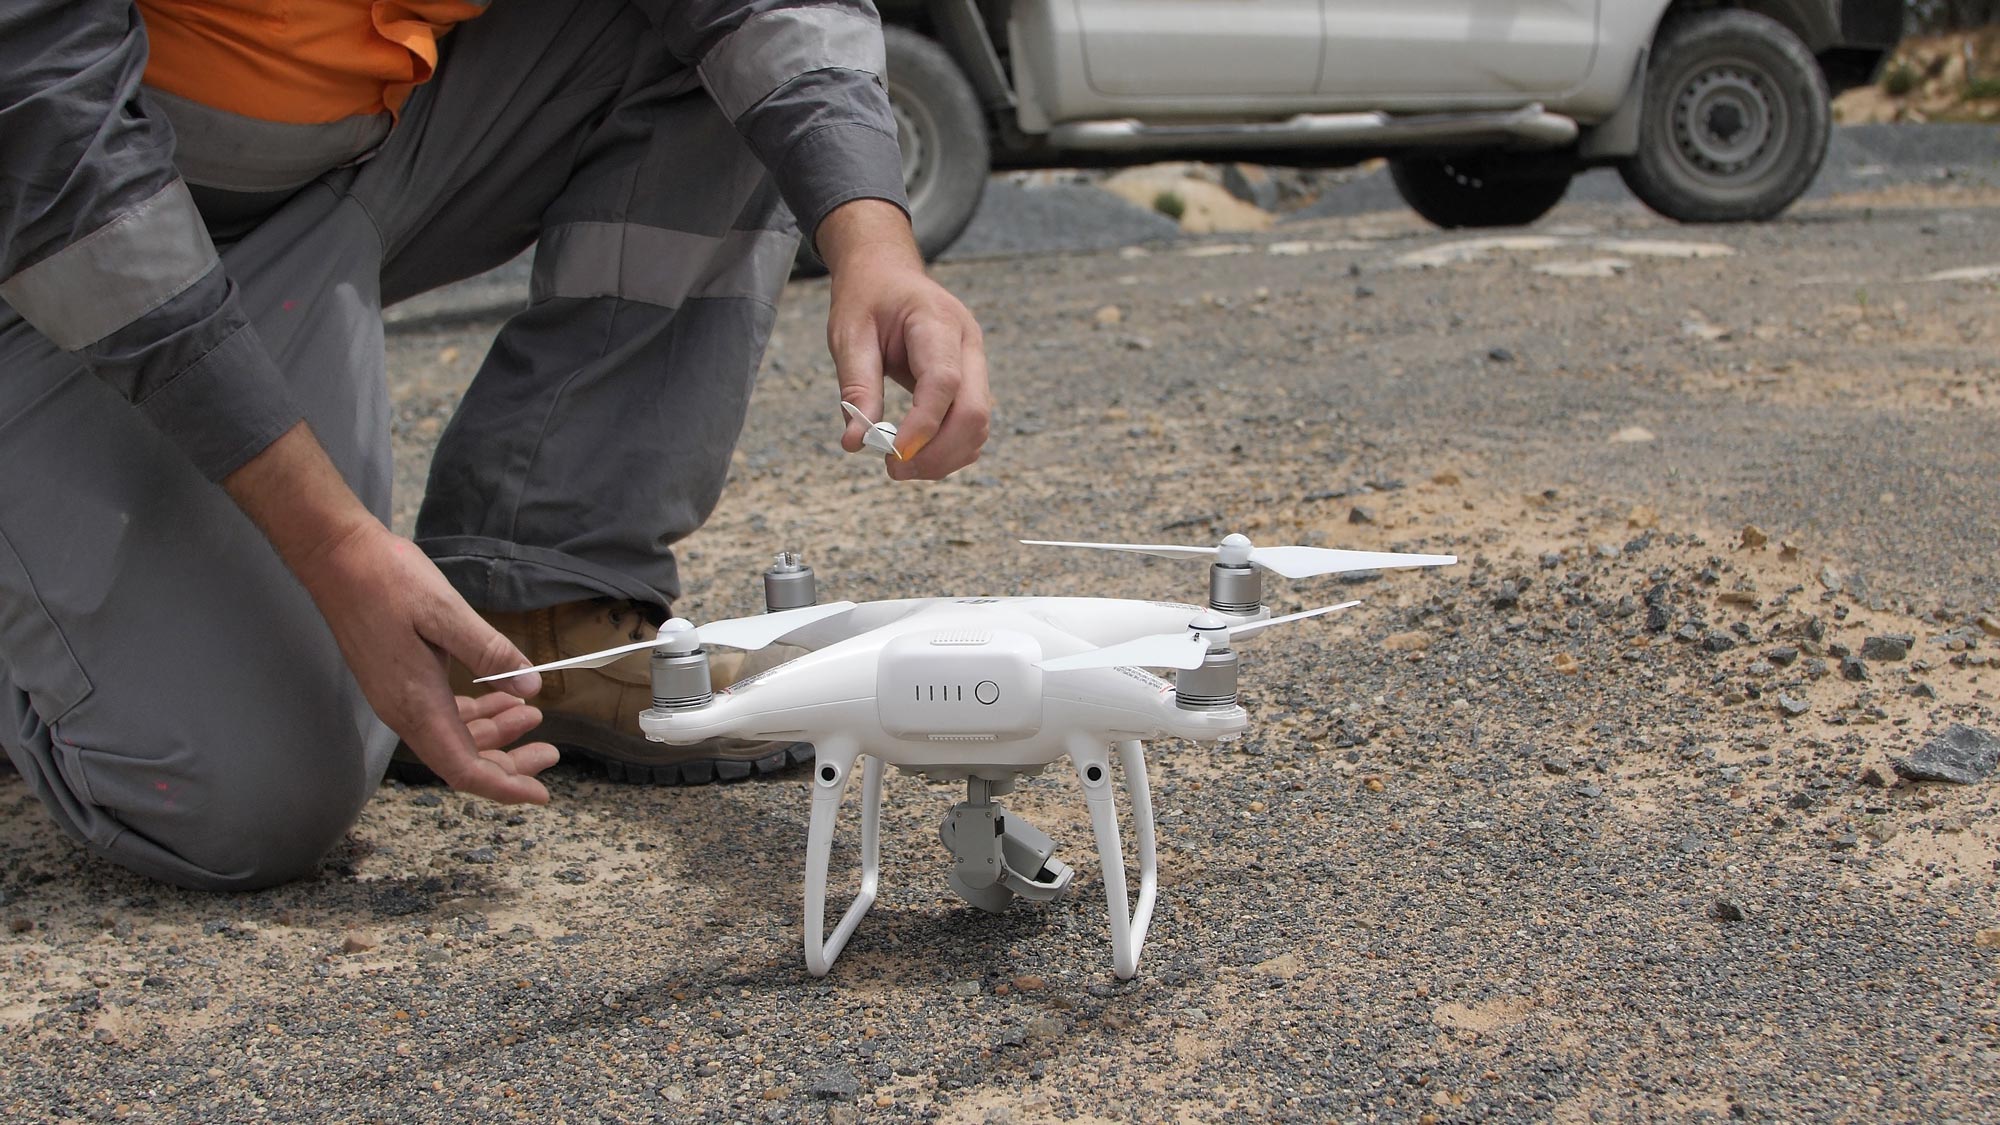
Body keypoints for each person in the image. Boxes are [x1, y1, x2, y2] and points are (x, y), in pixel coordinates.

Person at [0, 0, 991, 890]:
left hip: (354, 157)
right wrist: (335, 546)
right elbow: (51, 136)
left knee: (720, 56)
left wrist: (874, 242)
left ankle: (534, 601)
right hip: (56, 242)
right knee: (247, 796)